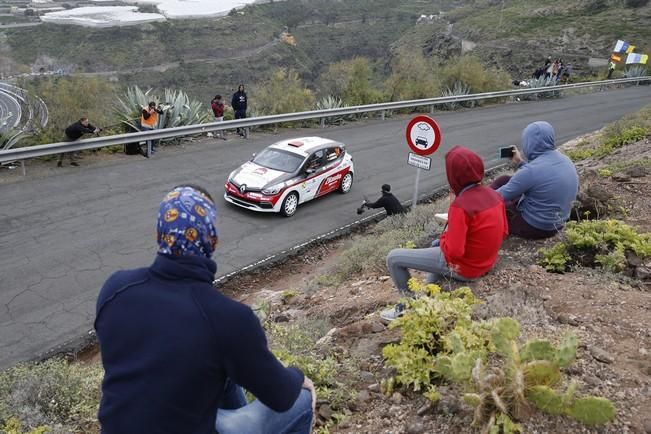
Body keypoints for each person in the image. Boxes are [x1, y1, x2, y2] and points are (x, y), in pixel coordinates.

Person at [95, 184, 316, 434]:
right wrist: (298, 377)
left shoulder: (116, 289)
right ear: (212, 239)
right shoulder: (227, 318)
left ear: (160, 233)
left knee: (223, 368)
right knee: (302, 399)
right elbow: (281, 397)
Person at [381, 146, 508, 322]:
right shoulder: (494, 196)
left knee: (393, 258)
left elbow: (454, 252)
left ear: (453, 176)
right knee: (436, 245)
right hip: (485, 263)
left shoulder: (461, 206)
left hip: (465, 268)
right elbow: (504, 231)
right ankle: (427, 296)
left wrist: (447, 231)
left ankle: (407, 308)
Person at [491, 121, 579, 239]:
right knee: (505, 179)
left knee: (497, 205)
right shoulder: (565, 159)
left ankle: (472, 210)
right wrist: (519, 162)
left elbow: (498, 197)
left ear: (529, 143)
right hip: (558, 222)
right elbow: (538, 176)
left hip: (535, 227)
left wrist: (479, 197)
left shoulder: (531, 170)